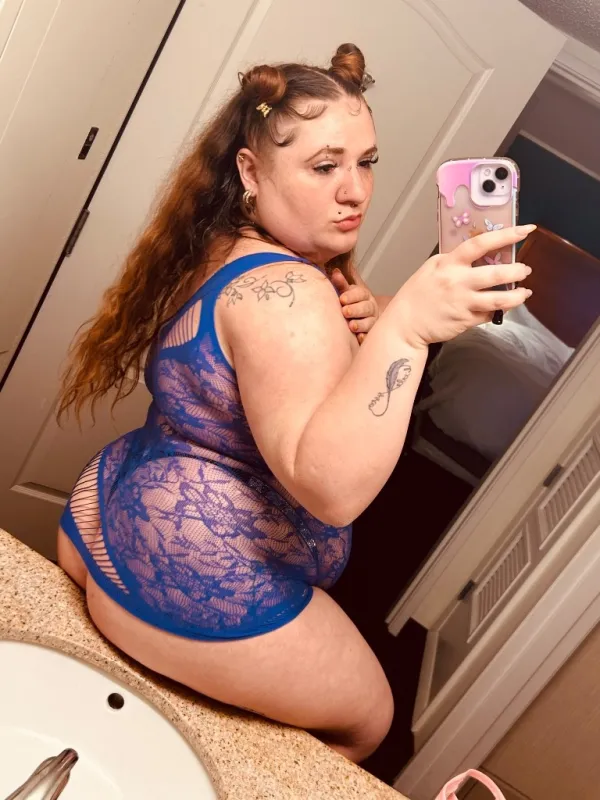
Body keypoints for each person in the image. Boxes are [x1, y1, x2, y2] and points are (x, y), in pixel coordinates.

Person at [56, 43, 534, 763]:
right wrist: (407, 330)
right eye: (324, 166)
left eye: (366, 161)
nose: (356, 191)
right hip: (187, 573)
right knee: (369, 725)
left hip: (116, 509)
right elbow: (331, 491)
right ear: (251, 171)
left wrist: (382, 316)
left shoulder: (225, 247)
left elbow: (266, 368)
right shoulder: (292, 294)